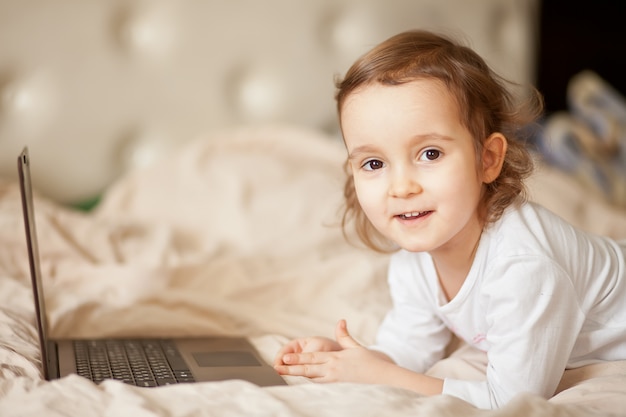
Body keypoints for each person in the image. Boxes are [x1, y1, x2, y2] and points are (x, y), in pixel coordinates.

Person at [273, 29, 626, 409]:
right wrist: (354, 361)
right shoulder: (414, 256)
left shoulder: (523, 267)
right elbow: (409, 347)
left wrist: (380, 376)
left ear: (487, 159)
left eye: (430, 154)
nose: (402, 187)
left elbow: (510, 400)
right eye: (374, 163)